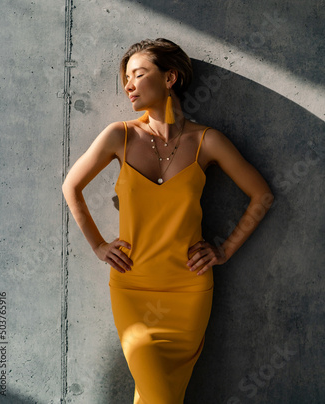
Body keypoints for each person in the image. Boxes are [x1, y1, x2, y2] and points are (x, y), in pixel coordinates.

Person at [62, 38, 274, 404]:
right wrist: (98, 245)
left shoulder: (207, 141)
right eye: (125, 77)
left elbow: (262, 196)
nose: (128, 85)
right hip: (132, 289)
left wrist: (223, 251)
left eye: (138, 74)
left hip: (189, 292)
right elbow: (71, 186)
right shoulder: (119, 135)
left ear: (170, 77)